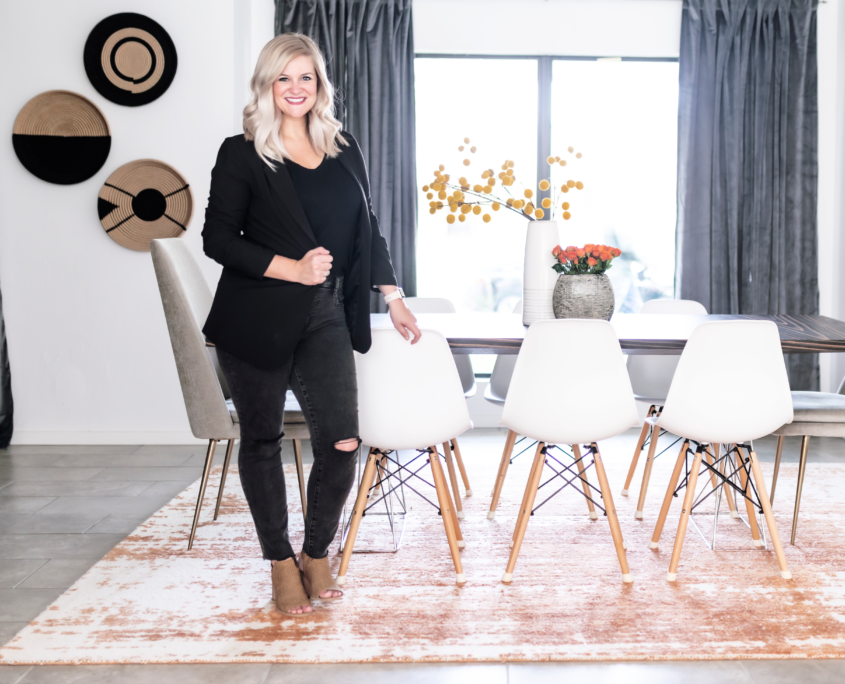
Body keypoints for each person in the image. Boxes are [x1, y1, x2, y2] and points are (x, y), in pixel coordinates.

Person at [202, 32, 420, 617]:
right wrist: (291, 269)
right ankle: (280, 562)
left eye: (306, 77)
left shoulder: (343, 147)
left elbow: (367, 228)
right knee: (263, 440)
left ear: (320, 85)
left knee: (343, 439)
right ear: (266, 85)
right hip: (256, 315)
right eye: (284, 77)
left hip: (326, 312)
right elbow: (217, 239)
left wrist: (393, 295)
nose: (296, 88)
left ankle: (315, 552)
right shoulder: (242, 152)